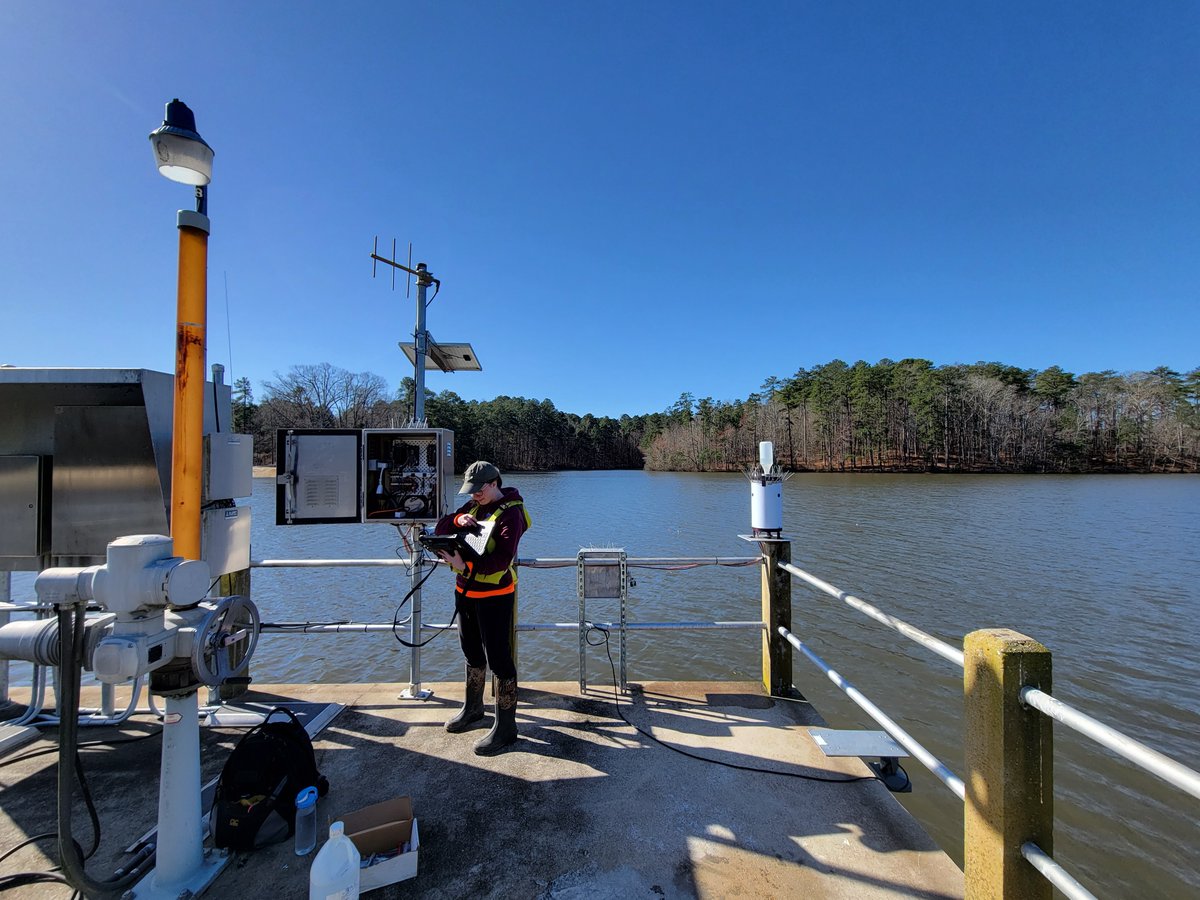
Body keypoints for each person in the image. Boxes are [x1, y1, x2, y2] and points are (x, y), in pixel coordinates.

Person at [432, 461, 531, 755]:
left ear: (493, 484)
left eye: (479, 490)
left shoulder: (511, 514)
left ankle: (506, 728)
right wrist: (457, 522)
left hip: (496, 595)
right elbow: (441, 526)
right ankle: (473, 710)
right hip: (465, 591)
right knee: (471, 652)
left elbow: (501, 561)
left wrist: (463, 565)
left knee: (499, 659)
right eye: (471, 491)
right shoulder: (473, 507)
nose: (474, 496)